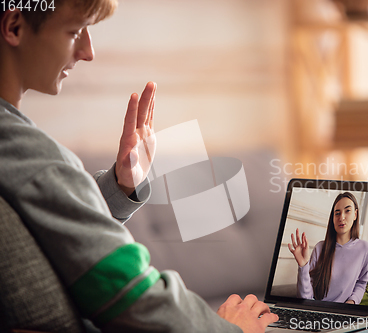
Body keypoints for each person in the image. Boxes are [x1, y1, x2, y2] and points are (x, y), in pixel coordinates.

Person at [0, 1, 277, 332]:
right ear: (14, 26)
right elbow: (129, 291)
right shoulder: (31, 156)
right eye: (75, 31)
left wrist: (121, 186)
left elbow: (61, 232)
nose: (88, 51)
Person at [288, 192, 368, 304]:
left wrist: (352, 301)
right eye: (337, 213)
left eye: (347, 211)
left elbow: (361, 282)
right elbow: (305, 297)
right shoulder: (320, 248)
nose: (341, 217)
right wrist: (303, 266)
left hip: (344, 313)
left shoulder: (363, 248)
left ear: (355, 214)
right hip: (316, 310)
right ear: (332, 218)